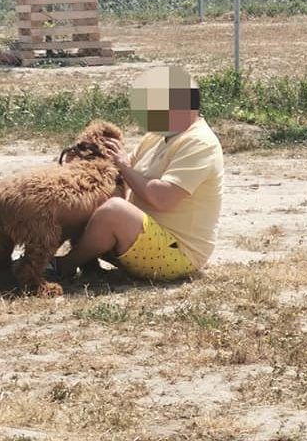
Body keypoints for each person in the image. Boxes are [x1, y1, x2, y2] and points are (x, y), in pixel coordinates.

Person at [54, 65, 224, 282]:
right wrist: (86, 159)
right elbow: (119, 172)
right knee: (87, 195)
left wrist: (125, 166)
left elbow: (163, 198)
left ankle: (63, 265)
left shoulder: (199, 143)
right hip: (142, 237)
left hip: (177, 252)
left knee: (114, 209)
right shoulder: (157, 136)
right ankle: (50, 259)